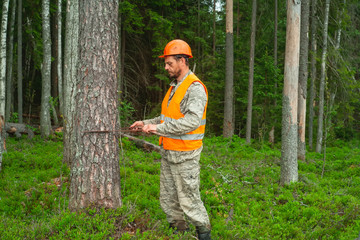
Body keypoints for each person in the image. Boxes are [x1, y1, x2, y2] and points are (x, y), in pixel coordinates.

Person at [130, 39, 211, 240]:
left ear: (182, 61)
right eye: (165, 63)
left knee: (189, 201)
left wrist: (157, 128)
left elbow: (191, 122)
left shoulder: (195, 88)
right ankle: (178, 233)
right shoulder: (174, 86)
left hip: (186, 155)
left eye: (170, 63)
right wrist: (145, 122)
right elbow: (166, 118)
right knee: (168, 201)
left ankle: (204, 235)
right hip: (169, 152)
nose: (166, 67)